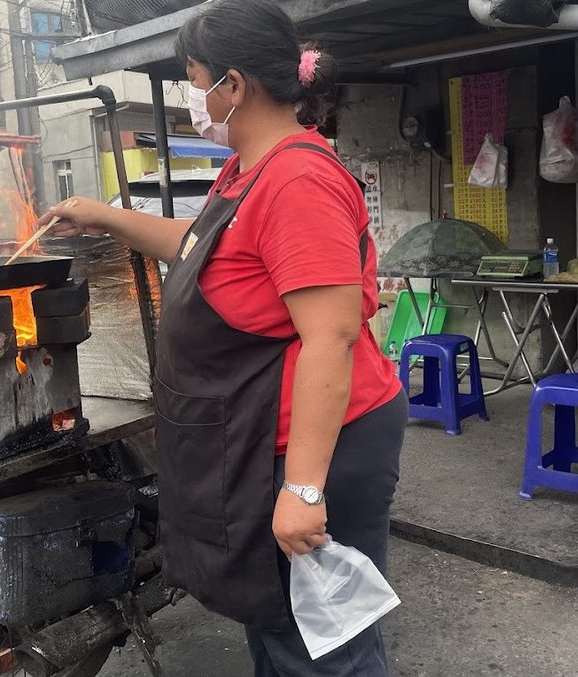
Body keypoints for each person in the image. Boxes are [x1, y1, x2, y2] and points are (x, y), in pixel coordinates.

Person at [40, 1, 405, 673]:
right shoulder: (247, 171)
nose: (192, 96)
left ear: (233, 86)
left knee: (323, 646)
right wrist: (106, 218)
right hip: (261, 435)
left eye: (193, 77)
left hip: (319, 441)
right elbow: (205, 248)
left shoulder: (297, 179)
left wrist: (303, 490)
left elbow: (331, 335)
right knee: (276, 621)